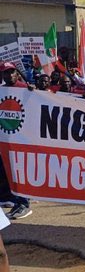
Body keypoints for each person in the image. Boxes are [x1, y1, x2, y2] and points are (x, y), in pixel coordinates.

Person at [0, 63, 33, 220]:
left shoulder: (25, 89)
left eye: (12, 72)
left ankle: (23, 203)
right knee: (6, 170)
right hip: (6, 139)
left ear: (17, 73)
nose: (9, 75)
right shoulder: (2, 91)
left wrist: (33, 92)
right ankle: (11, 199)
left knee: (19, 170)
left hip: (22, 139)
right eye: (6, 73)